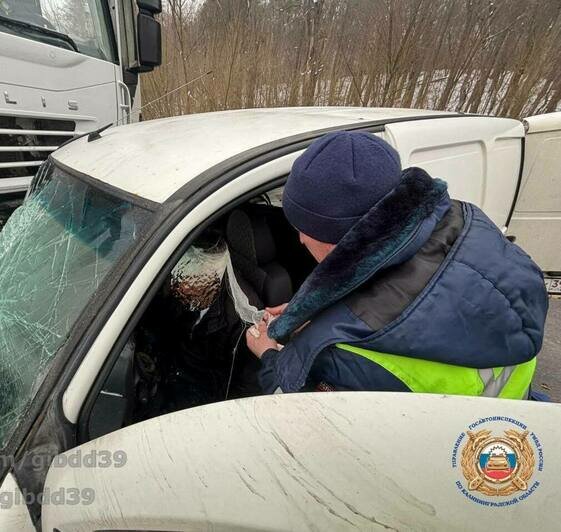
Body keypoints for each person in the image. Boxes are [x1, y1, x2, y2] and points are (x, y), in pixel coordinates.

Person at [245, 131, 548, 398]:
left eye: (304, 229)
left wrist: (270, 357)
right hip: (514, 421)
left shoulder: (347, 355)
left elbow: (301, 418)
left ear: (336, 236)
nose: (299, 239)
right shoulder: (466, 222)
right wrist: (315, 311)